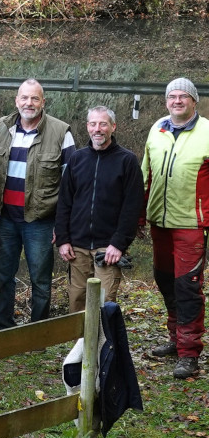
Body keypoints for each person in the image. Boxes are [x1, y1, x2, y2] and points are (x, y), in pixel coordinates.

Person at [0, 79, 75, 331]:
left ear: (43, 102)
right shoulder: (3, 126)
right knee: (2, 275)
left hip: (42, 220)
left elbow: (71, 184)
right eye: (24, 98)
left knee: (40, 278)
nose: (29, 103)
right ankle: (1, 328)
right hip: (6, 218)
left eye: (35, 98)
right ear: (16, 100)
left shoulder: (61, 132)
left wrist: (63, 224)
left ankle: (37, 331)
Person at [141, 77, 209, 380]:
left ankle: (190, 352)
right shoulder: (158, 129)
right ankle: (175, 338)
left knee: (188, 287)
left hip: (191, 224)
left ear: (194, 101)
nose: (177, 101)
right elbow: (146, 173)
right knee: (165, 280)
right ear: (166, 101)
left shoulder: (207, 131)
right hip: (160, 222)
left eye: (183, 96)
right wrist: (138, 216)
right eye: (172, 96)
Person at [55, 106, 144, 313]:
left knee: (103, 304)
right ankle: (80, 345)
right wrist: (63, 239)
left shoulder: (127, 161)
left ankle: (102, 344)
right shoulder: (76, 159)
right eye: (93, 124)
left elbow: (132, 207)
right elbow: (64, 202)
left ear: (113, 127)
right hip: (77, 247)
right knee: (77, 301)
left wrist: (118, 244)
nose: (98, 129)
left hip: (108, 248)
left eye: (103, 124)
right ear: (87, 127)